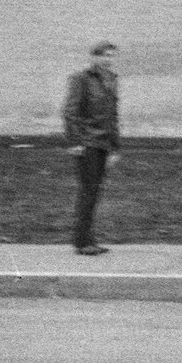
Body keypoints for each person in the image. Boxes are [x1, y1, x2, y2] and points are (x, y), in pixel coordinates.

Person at [63, 41, 122, 255]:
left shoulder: (112, 79)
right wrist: (75, 142)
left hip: (103, 144)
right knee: (88, 191)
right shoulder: (81, 79)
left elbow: (112, 116)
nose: (108, 59)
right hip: (87, 144)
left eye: (111, 56)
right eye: (104, 55)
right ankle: (82, 242)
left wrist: (115, 148)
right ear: (94, 57)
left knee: (94, 192)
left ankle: (88, 239)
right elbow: (70, 112)